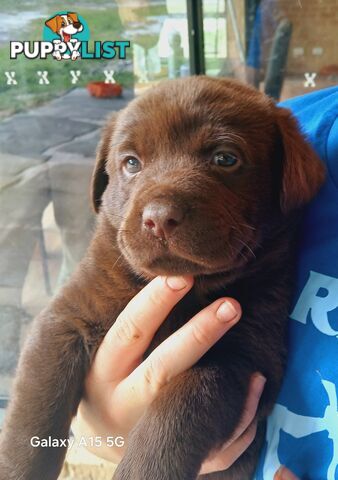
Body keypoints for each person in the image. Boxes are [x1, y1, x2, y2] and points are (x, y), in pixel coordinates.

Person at [74, 86, 338, 479]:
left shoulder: (277, 142)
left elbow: (238, 366)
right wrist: (102, 430)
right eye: (132, 163)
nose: (159, 213)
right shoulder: (295, 126)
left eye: (225, 159)